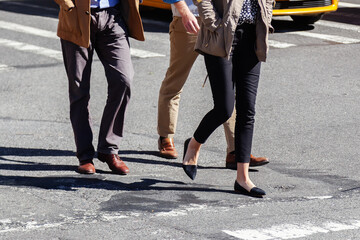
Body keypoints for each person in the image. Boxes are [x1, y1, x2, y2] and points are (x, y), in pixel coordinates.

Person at [157, 0, 269, 169]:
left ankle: (235, 151)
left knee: (229, 91)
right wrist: (184, 12)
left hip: (225, 21)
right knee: (176, 79)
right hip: (191, 20)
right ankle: (166, 135)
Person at [182, 0, 274, 197]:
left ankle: (242, 179)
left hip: (252, 36)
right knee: (224, 108)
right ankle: (194, 145)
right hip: (222, 35)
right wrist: (214, 23)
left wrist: (267, 14)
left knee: (247, 109)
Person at [54, 0, 145, 174]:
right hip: (76, 16)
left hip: (113, 16)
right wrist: (69, 6)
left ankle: (109, 148)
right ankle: (85, 155)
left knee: (123, 80)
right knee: (79, 89)